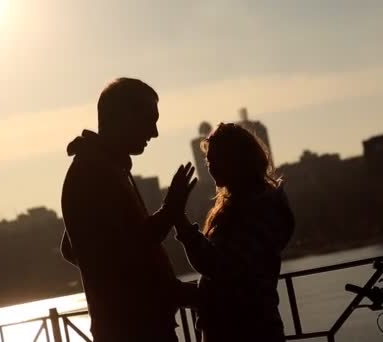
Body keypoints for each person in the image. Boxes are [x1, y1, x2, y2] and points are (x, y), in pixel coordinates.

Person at [60, 78, 197, 342]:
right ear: (124, 117)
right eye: (149, 119)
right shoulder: (95, 171)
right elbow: (129, 247)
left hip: (130, 325)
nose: (154, 132)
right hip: (135, 330)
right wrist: (170, 210)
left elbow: (76, 248)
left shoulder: (104, 167)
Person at [174, 123, 295, 342]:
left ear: (237, 161)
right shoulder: (260, 205)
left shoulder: (257, 209)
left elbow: (220, 268)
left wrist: (179, 220)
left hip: (244, 332)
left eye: (216, 160)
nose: (210, 167)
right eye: (208, 161)